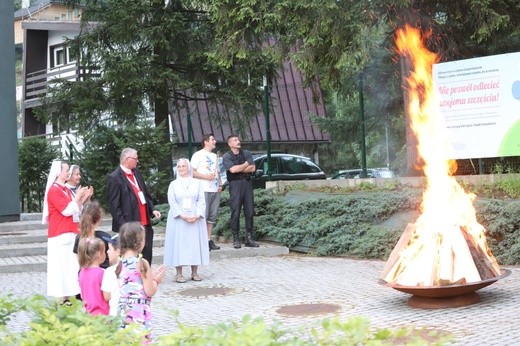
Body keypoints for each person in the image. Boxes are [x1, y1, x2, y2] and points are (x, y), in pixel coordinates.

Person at [42, 160, 89, 303]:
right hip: (60, 233)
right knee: (61, 267)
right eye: (66, 170)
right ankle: (62, 297)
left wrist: (82, 199)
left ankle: (70, 295)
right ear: (58, 173)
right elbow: (66, 210)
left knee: (70, 267)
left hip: (70, 231)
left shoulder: (65, 189)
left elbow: (75, 209)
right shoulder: (54, 190)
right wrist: (77, 198)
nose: (68, 172)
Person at [107, 148, 161, 264]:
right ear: (127, 159)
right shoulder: (114, 178)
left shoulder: (136, 173)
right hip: (130, 224)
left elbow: (145, 194)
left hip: (145, 222)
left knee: (147, 252)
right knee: (131, 254)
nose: (138, 161)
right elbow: (114, 207)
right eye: (136, 158)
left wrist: (152, 209)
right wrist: (125, 227)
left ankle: (146, 275)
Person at [117, 222, 166, 342]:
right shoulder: (142, 262)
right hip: (138, 310)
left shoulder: (120, 262)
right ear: (139, 242)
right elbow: (149, 291)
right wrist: (155, 280)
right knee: (140, 340)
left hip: (123, 309)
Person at [163, 159, 209, 283]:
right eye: (179, 166)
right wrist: (182, 215)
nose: (181, 168)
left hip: (195, 218)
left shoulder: (197, 183)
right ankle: (178, 273)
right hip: (179, 219)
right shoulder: (173, 184)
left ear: (188, 167)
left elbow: (201, 200)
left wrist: (198, 215)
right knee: (179, 244)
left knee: (194, 244)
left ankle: (194, 272)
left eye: (184, 166)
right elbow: (172, 201)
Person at [222, 135, 259, 249]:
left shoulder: (246, 153)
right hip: (235, 185)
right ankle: (236, 238)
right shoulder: (227, 156)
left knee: (249, 211)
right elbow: (232, 170)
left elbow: (252, 168)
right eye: (235, 140)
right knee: (236, 211)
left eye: (238, 139)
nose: (238, 141)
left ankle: (249, 238)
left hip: (247, 184)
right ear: (230, 144)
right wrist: (245, 165)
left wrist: (239, 168)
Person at [190, 134, 222, 251]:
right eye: (212, 139)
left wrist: (220, 184)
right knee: (203, 215)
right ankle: (201, 240)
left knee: (212, 217)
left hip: (214, 189)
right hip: (203, 189)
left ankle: (208, 240)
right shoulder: (197, 155)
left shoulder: (214, 156)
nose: (215, 141)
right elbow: (192, 172)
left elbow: (217, 172)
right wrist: (205, 177)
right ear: (206, 141)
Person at [73, 201, 112, 269]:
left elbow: (80, 261)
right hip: (103, 274)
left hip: (84, 275)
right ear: (99, 220)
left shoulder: (79, 238)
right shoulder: (105, 237)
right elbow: (112, 259)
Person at [77, 237, 109, 316]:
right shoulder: (102, 273)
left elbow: (82, 294)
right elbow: (107, 296)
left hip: (88, 313)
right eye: (104, 251)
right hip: (102, 314)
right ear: (99, 254)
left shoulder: (82, 272)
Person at [101, 234, 121, 316]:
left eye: (109, 249)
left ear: (118, 252)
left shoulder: (109, 271)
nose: (107, 251)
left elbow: (107, 296)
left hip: (115, 314)